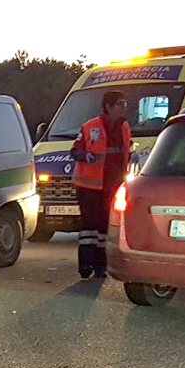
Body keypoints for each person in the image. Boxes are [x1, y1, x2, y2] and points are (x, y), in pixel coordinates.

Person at [70, 90, 132, 280]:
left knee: (105, 228)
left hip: (113, 186)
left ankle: (101, 266)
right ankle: (86, 265)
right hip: (89, 187)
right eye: (120, 104)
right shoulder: (90, 126)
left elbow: (126, 150)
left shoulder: (124, 126)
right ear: (109, 107)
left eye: (124, 103)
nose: (124, 107)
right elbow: (75, 151)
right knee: (89, 227)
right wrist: (85, 155)